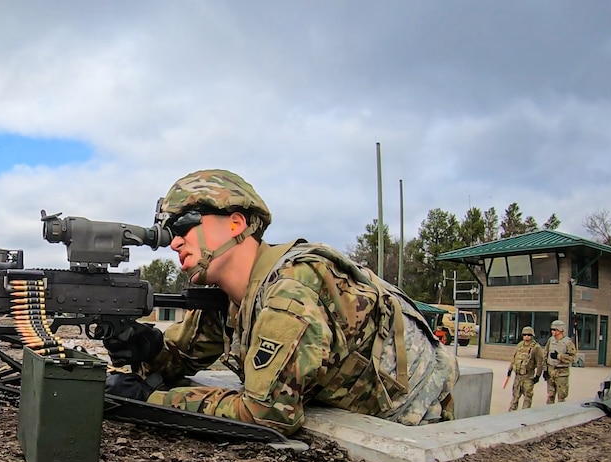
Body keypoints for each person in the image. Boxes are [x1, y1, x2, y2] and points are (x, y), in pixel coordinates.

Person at [104, 169, 458, 435]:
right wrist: (139, 345)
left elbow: (267, 413)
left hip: (411, 418)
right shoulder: (230, 298)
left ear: (236, 224)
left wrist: (147, 401)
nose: (174, 242)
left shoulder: (292, 287)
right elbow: (176, 358)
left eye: (183, 226)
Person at [507, 326, 545, 410]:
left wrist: (538, 376)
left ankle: (524, 416)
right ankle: (511, 414)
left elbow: (540, 363)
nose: (526, 336)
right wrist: (510, 369)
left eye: (529, 335)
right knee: (515, 397)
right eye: (525, 335)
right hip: (518, 376)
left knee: (527, 398)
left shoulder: (536, 347)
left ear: (532, 336)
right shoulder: (520, 345)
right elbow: (514, 358)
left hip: (528, 376)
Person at [544, 319, 577, 403]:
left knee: (561, 396)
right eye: (552, 330)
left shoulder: (567, 342)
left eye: (555, 330)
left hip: (562, 373)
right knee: (550, 395)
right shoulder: (551, 340)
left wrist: (559, 356)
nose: (552, 331)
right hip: (551, 371)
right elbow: (545, 354)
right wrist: (545, 369)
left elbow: (573, 358)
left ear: (560, 330)